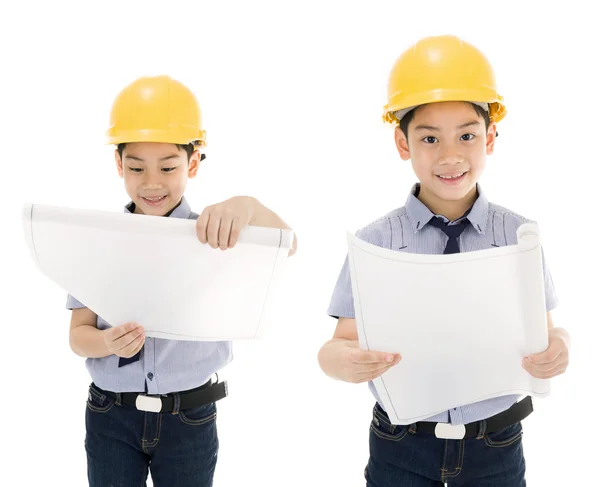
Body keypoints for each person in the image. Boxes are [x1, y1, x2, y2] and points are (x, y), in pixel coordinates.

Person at [318, 35, 570, 486]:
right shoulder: (375, 241)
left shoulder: (519, 236)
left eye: (467, 136)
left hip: (495, 445)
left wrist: (559, 349)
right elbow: (336, 345)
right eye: (429, 138)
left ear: (490, 137)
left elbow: (547, 331)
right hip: (401, 444)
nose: (450, 155)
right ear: (402, 143)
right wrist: (345, 362)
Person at [67, 75, 297, 487]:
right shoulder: (97, 243)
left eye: (168, 167)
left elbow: (288, 244)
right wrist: (106, 343)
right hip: (110, 414)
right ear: (118, 165)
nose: (152, 182)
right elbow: (78, 335)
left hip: (189, 418)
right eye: (136, 167)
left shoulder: (215, 235)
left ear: (192, 164)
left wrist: (249, 206)